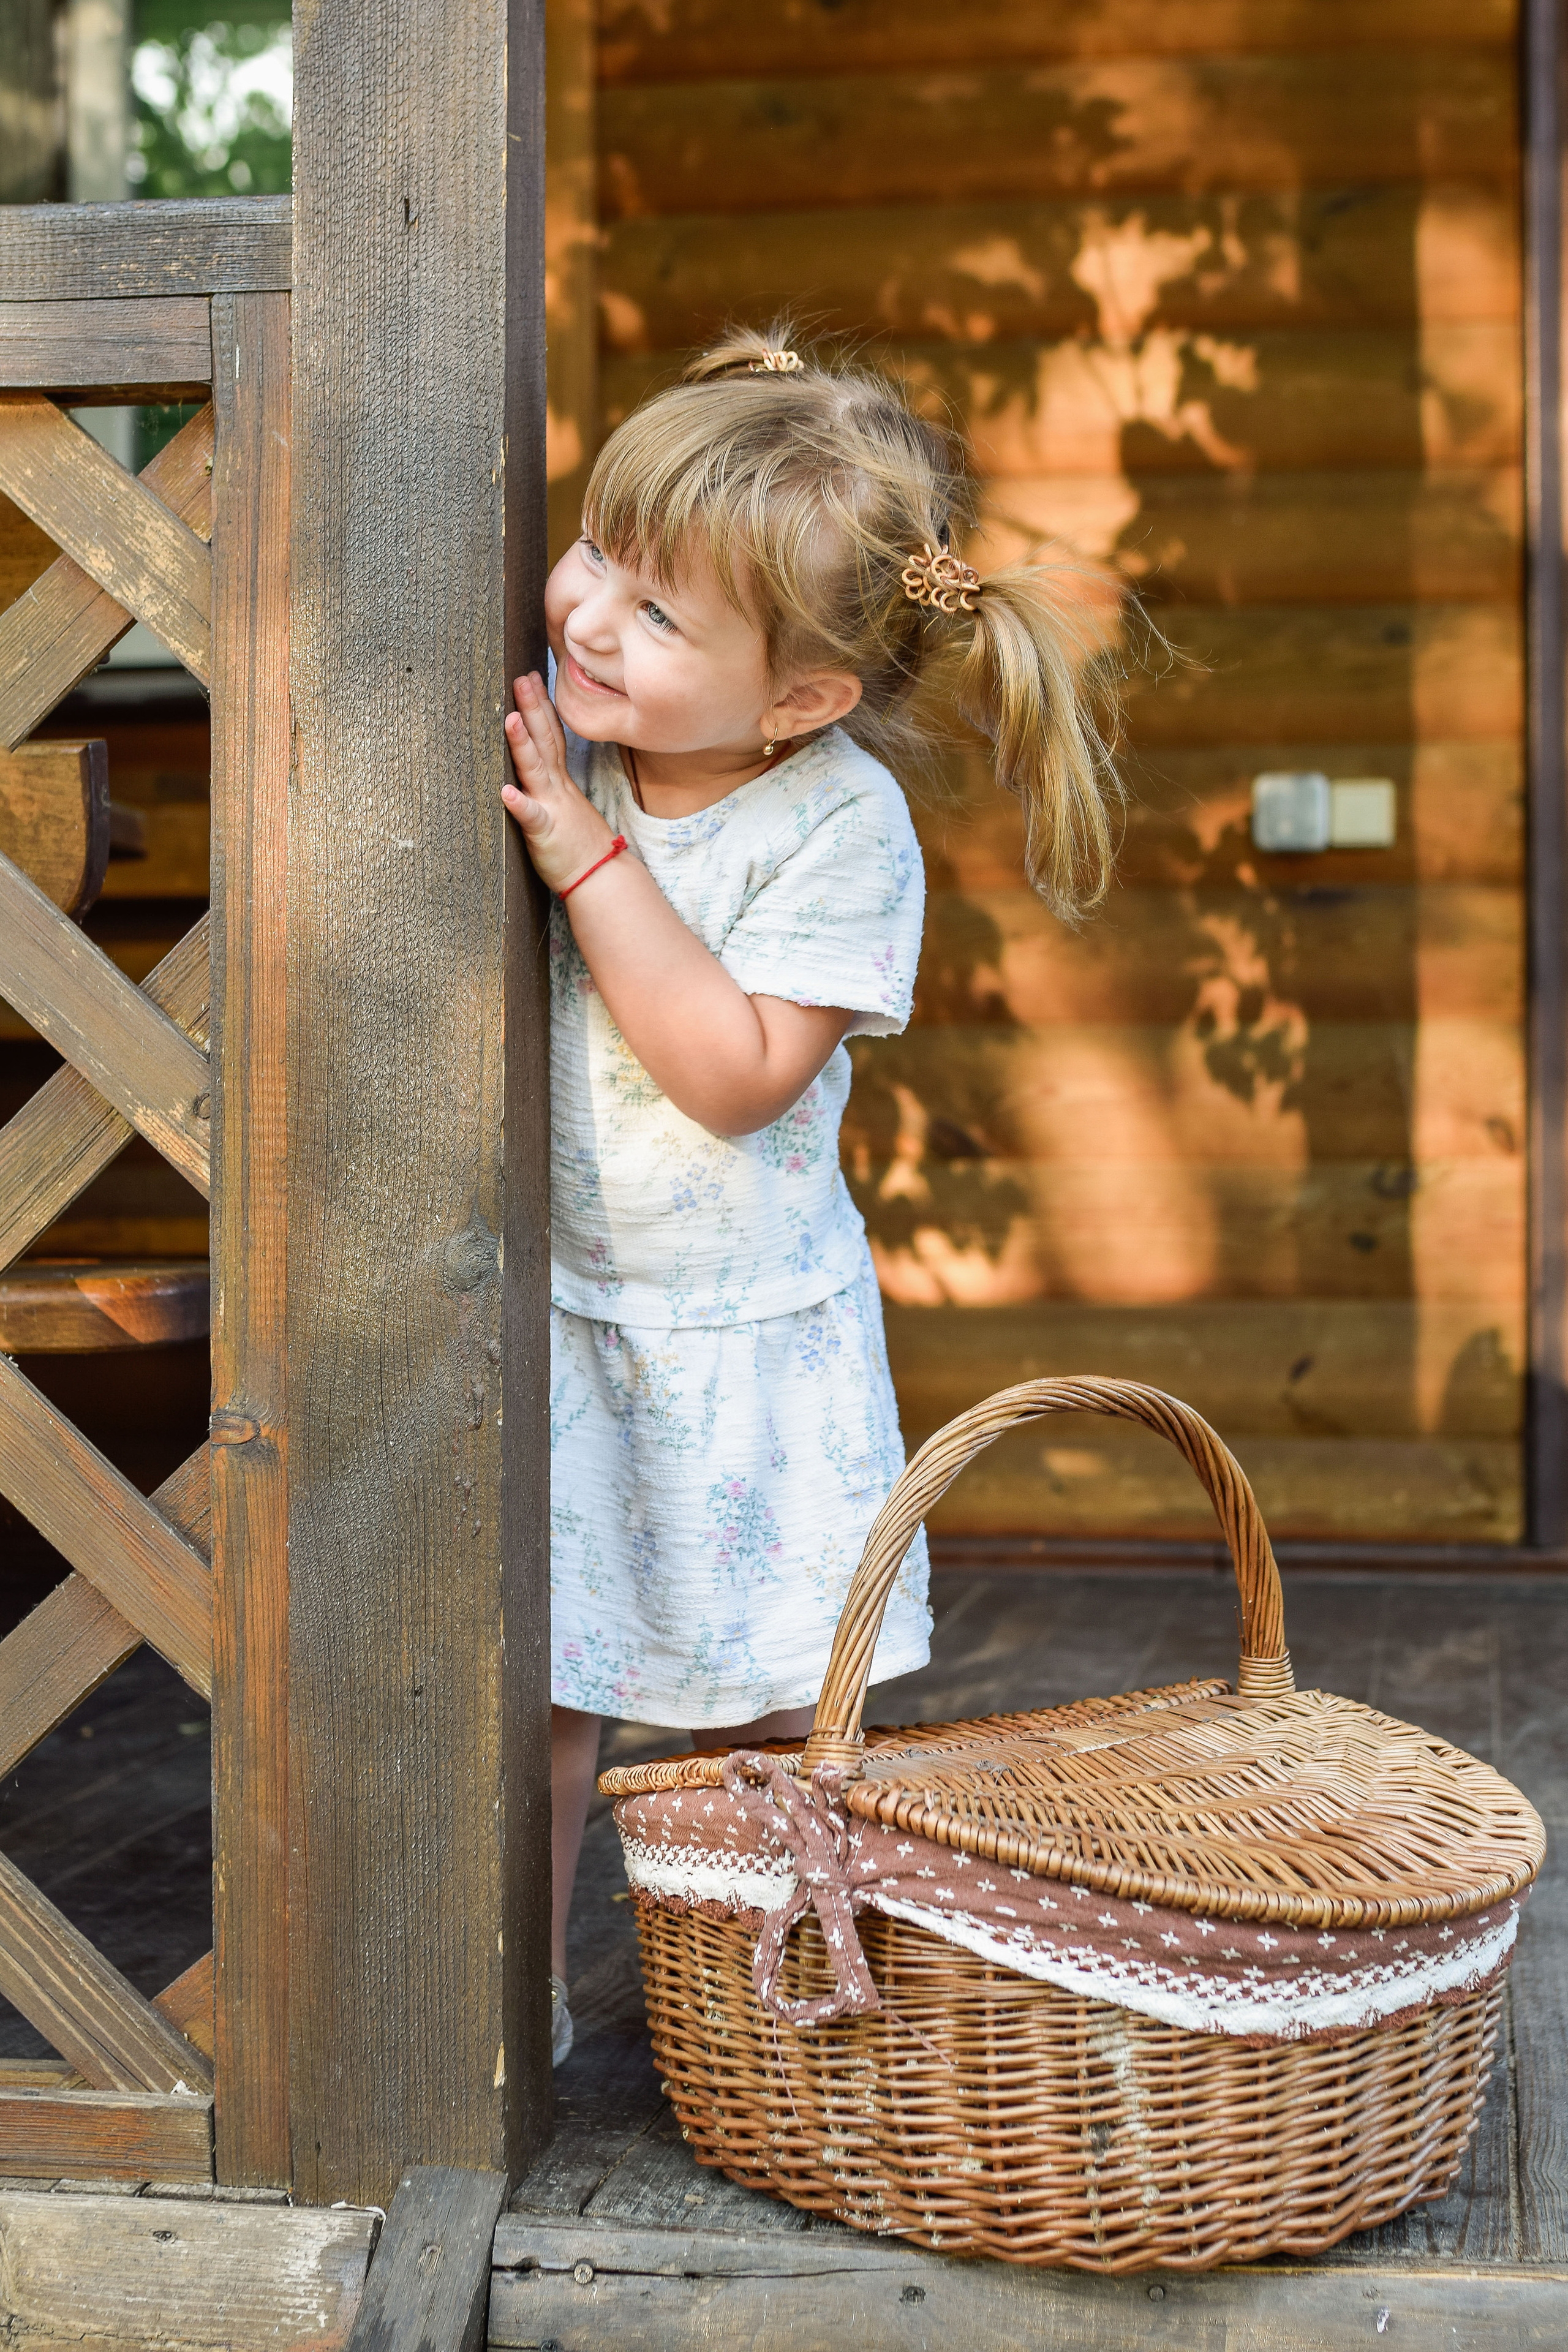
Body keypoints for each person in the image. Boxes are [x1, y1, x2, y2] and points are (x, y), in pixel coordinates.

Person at [501, 324, 1123, 2066]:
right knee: (542, 1690)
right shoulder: (588, 721)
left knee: (777, 1710)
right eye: (598, 555)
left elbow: (733, 1073)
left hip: (750, 1349)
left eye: (658, 614)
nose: (589, 619)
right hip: (561, 1316)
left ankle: (793, 2030)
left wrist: (588, 862)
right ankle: (506, 2016)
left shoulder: (838, 826)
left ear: (799, 701)